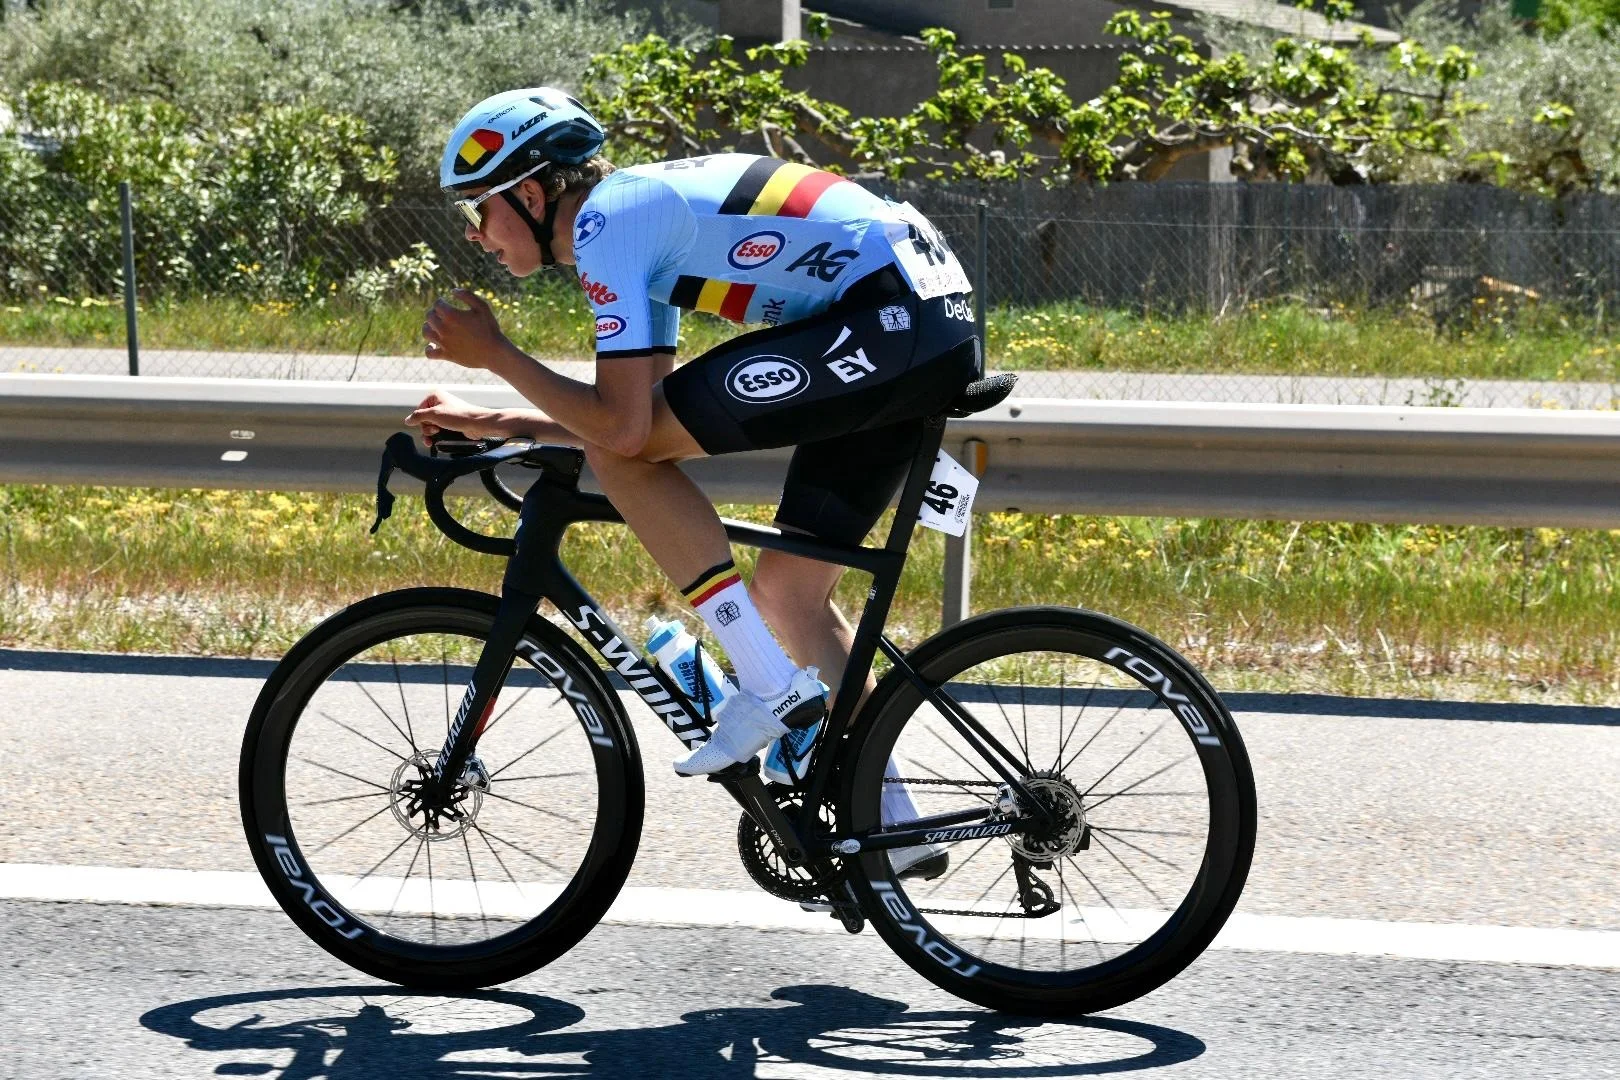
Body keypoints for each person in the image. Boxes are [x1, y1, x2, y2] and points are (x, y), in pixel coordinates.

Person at [409, 88, 978, 875]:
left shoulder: (610, 220)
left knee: (621, 456)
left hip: (890, 321)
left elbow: (624, 435)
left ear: (531, 194)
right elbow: (635, 415)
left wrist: (498, 354)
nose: (478, 238)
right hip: (916, 324)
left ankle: (766, 680)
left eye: (479, 212)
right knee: (788, 589)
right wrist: (503, 423)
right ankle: (893, 821)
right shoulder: (631, 223)